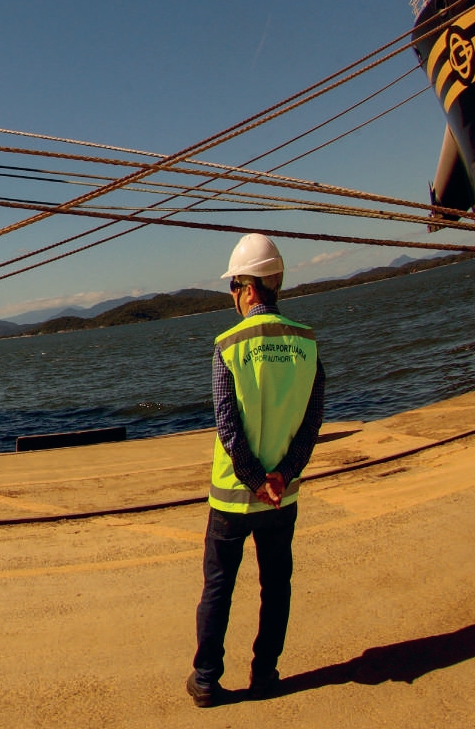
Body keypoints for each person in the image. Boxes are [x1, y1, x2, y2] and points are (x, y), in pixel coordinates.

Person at [186, 233, 325, 707]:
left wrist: (251, 478)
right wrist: (281, 475)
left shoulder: (228, 345)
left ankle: (206, 680)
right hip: (282, 497)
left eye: (232, 287)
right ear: (276, 283)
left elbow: (228, 425)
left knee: (219, 588)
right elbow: (312, 420)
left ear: (245, 287)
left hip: (232, 496)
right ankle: (265, 674)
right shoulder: (307, 343)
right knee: (276, 586)